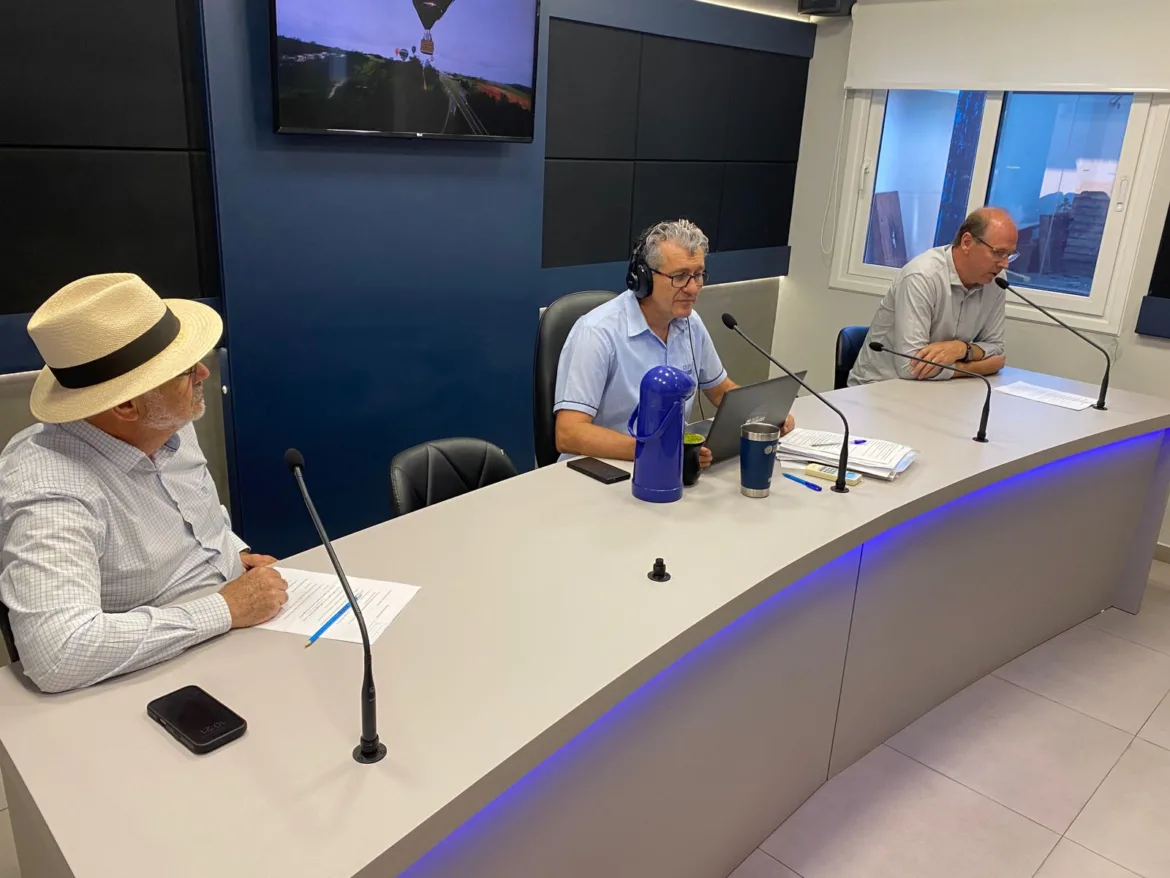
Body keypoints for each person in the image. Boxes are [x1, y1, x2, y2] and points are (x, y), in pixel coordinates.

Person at [0, 274, 289, 693]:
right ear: (126, 405)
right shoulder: (48, 488)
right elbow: (58, 653)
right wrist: (227, 608)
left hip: (234, 629)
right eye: (185, 371)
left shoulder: (168, 421)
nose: (204, 372)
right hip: (151, 673)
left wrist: (235, 556)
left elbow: (201, 520)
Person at [554, 219, 794, 466]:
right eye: (680, 277)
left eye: (698, 275)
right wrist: (657, 451)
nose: (693, 288)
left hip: (667, 466)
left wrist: (764, 415)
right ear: (643, 278)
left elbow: (720, 391)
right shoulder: (597, 332)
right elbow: (568, 433)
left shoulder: (690, 323)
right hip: (598, 469)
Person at [848, 207, 1015, 385]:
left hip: (934, 386)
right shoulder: (922, 276)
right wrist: (978, 367)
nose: (1004, 264)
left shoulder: (996, 280)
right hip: (878, 386)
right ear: (967, 242)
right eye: (998, 252)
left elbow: (996, 349)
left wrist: (962, 349)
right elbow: (910, 367)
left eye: (1009, 255)